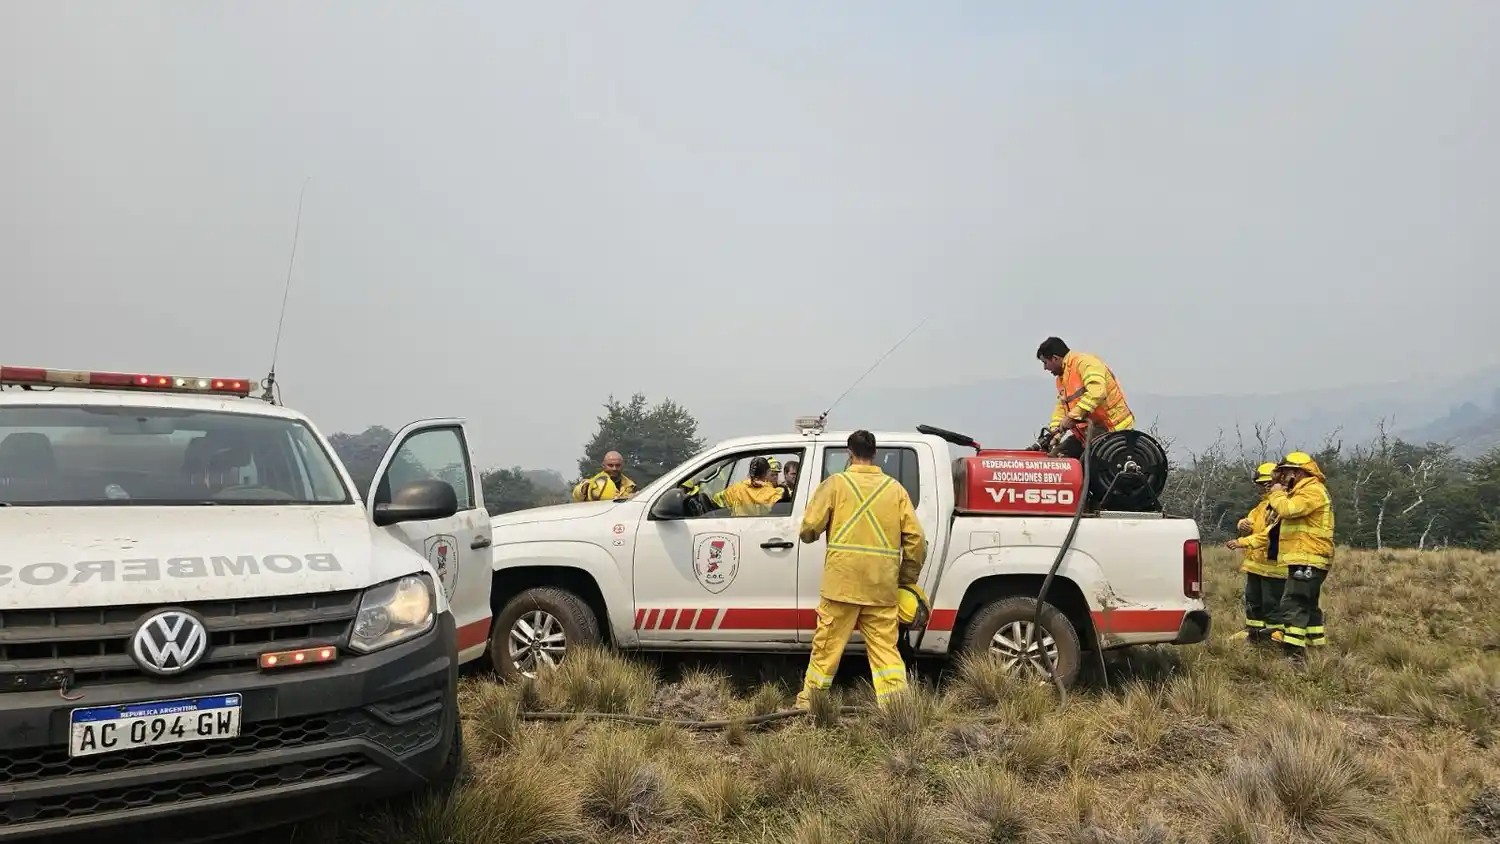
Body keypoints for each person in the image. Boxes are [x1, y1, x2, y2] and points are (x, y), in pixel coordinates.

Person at [794, 430, 927, 709]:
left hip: (841, 586)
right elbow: (916, 541)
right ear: (875, 454)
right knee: (885, 652)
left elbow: (808, 530)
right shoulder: (896, 490)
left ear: (849, 453)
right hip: (881, 588)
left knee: (826, 649)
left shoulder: (834, 485)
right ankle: (897, 709)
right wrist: (905, 580)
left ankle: (810, 704)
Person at [1263, 451, 1335, 654]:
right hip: (1307, 558)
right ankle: (1316, 648)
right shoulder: (1302, 491)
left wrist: (1276, 492)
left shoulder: (1312, 491)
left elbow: (1289, 509)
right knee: (1308, 603)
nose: (1283, 478)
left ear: (1298, 473)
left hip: (1308, 557)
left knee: (1293, 603)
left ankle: (1293, 652)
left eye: (1286, 473)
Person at [1036, 337, 1135, 457]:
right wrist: (1054, 434)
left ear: (1055, 358)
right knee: (1055, 458)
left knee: (1087, 464)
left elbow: (1097, 392)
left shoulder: (1086, 363)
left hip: (1112, 430)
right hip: (1087, 433)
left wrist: (1073, 417)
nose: (1045, 368)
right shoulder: (1061, 379)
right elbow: (1062, 409)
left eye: (1045, 363)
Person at [1225, 462, 1286, 643]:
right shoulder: (1260, 507)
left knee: (1272, 603)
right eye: (1261, 484)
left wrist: (1241, 542)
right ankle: (1254, 633)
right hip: (1256, 565)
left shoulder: (1281, 506)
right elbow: (1249, 522)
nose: (1264, 488)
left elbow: (1267, 536)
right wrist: (1242, 524)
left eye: (1267, 483)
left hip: (1274, 566)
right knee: (1253, 601)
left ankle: (1276, 635)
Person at [706, 456, 785, 516]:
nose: (775, 477)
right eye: (772, 474)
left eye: (776, 475)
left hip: (739, 530)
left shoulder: (735, 489)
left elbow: (716, 501)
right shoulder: (776, 493)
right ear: (767, 473)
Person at [571, 451, 637, 502]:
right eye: (610, 465)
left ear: (622, 466)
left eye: (617, 465)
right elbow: (576, 495)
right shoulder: (594, 482)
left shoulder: (631, 485)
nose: (614, 468)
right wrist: (583, 489)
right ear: (603, 466)